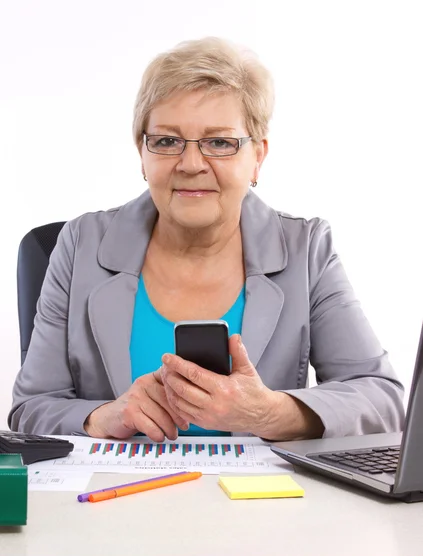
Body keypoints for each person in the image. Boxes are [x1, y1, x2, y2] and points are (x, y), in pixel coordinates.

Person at [9, 37, 404, 442]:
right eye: (166, 141)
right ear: (142, 154)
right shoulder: (80, 245)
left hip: (261, 505)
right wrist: (101, 418)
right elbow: (31, 407)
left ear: (258, 156)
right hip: (113, 499)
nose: (191, 164)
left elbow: (383, 400)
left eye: (220, 142)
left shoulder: (307, 250)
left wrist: (269, 413)